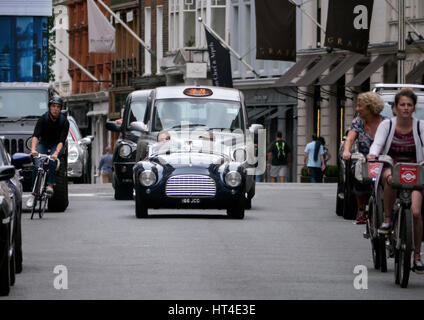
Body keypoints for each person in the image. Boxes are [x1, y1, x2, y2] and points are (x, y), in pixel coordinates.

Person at [367, 88, 424, 273]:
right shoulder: (387, 125)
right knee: (390, 178)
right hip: (391, 165)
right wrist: (373, 154)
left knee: (415, 212)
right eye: (402, 105)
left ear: (414, 108)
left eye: (409, 105)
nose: (406, 108)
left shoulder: (420, 126)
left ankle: (416, 256)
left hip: (416, 170)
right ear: (395, 108)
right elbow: (377, 143)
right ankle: (387, 218)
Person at [342, 91, 386, 224]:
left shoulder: (386, 123)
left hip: (382, 159)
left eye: (360, 106)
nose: (357, 109)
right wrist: (346, 151)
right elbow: (350, 138)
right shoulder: (358, 122)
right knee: (358, 172)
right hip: (364, 159)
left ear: (370, 107)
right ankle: (361, 209)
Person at [26, 96, 70, 207]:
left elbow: (62, 141)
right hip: (43, 143)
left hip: (56, 144)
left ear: (60, 109)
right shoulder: (42, 119)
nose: (55, 109)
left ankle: (50, 185)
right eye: (53, 106)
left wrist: (56, 153)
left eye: (58, 107)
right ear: (49, 107)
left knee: (52, 160)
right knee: (37, 163)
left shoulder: (64, 122)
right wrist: (33, 150)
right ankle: (33, 193)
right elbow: (35, 136)